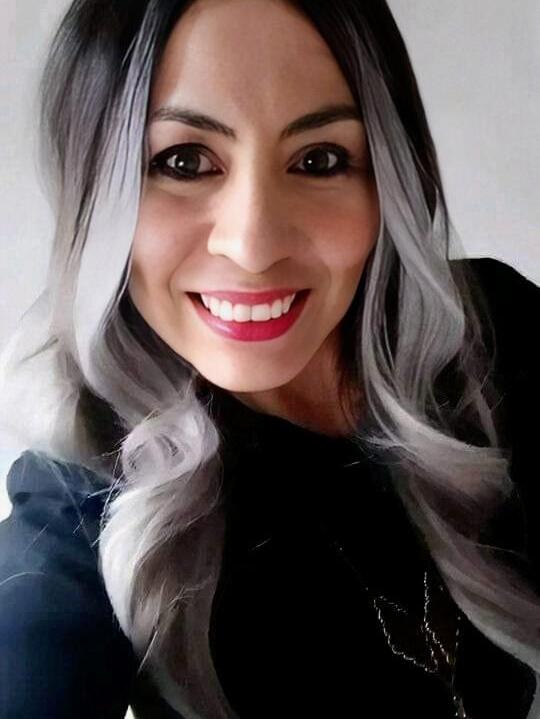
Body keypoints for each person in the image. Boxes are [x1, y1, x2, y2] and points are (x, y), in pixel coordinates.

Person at [0, 0, 538, 717]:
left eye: (319, 160)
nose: (253, 246)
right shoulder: (86, 493)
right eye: (183, 162)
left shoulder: (491, 330)